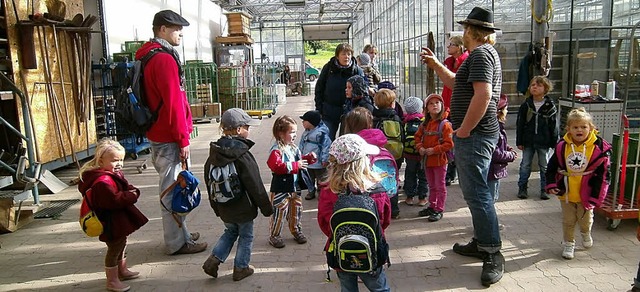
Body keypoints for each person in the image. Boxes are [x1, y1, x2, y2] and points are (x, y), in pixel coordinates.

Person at [420, 6, 505, 286]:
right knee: (475, 193)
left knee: (478, 194)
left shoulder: (480, 55)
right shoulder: (482, 55)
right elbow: (458, 84)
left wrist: (465, 130)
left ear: (471, 31)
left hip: (475, 135)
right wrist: (436, 65)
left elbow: (483, 94)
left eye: (465, 29)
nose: (462, 34)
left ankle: (492, 251)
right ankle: (482, 241)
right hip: (477, 134)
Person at [136, 10, 205, 255]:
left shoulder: (148, 55)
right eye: (176, 29)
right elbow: (174, 103)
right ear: (162, 30)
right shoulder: (163, 59)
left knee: (176, 188)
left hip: (160, 133)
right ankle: (176, 243)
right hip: (169, 136)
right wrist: (183, 138)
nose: (180, 33)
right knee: (173, 191)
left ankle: (181, 233)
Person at [202, 108, 274, 281]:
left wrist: (216, 208)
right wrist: (266, 208)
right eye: (247, 127)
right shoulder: (242, 155)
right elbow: (255, 184)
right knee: (246, 236)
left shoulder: (214, 153)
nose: (249, 130)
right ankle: (241, 267)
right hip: (244, 207)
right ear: (239, 129)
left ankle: (213, 260)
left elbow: (208, 182)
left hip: (224, 205)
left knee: (230, 232)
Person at [317, 134, 391, 292]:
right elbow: (384, 220)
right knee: (379, 288)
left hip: (341, 251)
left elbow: (324, 223)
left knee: (347, 288)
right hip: (373, 250)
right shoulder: (376, 190)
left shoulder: (328, 191)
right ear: (363, 161)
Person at [78, 138, 148, 292]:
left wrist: (131, 190)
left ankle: (122, 271)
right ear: (101, 161)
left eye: (121, 160)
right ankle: (112, 280)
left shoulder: (113, 174)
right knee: (114, 248)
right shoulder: (102, 182)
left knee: (121, 243)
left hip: (117, 221)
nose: (119, 164)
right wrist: (132, 195)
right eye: (115, 160)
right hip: (110, 222)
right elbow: (114, 201)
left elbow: (124, 186)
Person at [545, 108, 611, 260]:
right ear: (568, 129)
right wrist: (551, 184)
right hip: (567, 192)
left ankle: (585, 232)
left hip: (587, 193)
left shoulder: (599, 148)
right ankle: (569, 243)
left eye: (583, 127)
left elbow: (604, 175)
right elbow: (551, 167)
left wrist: (597, 196)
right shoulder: (562, 146)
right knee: (568, 220)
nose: (579, 130)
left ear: (591, 128)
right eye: (575, 127)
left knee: (585, 221)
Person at [266, 115, 309, 248]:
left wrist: (308, 159)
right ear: (280, 133)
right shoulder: (276, 150)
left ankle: (296, 230)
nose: (295, 135)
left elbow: (298, 161)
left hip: (294, 186)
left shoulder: (293, 148)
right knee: (279, 211)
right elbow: (276, 166)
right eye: (291, 132)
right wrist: (296, 165)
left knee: (296, 210)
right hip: (281, 187)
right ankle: (275, 235)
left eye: (295, 132)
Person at [516, 75, 558, 200]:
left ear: (545, 89)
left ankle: (544, 189)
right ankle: (522, 188)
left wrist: (554, 142)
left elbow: (553, 125)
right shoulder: (526, 105)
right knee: (525, 165)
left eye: (539, 85)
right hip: (528, 141)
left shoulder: (550, 106)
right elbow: (520, 124)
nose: (535, 87)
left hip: (544, 141)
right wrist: (519, 141)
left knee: (544, 166)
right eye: (533, 85)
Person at [414, 94, 453, 222]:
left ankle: (439, 208)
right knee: (431, 185)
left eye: (437, 102)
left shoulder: (445, 125)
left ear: (442, 106)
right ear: (426, 108)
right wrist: (420, 148)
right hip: (427, 161)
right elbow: (417, 138)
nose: (435, 105)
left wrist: (434, 150)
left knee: (440, 185)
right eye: (431, 103)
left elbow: (449, 144)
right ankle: (432, 206)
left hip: (440, 161)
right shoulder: (424, 124)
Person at [315, 43, 364, 140]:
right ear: (337, 56)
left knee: (345, 141)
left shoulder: (357, 70)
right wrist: (319, 108)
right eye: (343, 54)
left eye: (349, 54)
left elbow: (362, 91)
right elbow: (319, 88)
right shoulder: (328, 68)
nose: (347, 57)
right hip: (329, 111)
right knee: (327, 139)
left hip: (349, 112)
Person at [372, 89, 404, 219]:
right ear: (392, 103)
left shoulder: (375, 118)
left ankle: (380, 208)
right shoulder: (396, 118)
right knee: (393, 180)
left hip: (379, 155)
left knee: (378, 181)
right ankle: (394, 209)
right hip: (395, 155)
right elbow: (402, 136)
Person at [442, 35, 469, 186]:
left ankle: (455, 173)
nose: (448, 47)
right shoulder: (450, 63)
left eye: (451, 44)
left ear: (459, 46)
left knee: (457, 141)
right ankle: (450, 172)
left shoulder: (466, 62)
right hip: (448, 106)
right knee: (449, 139)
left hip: (459, 107)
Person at [488, 94, 518, 202]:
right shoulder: (495, 127)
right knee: (490, 200)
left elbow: (499, 144)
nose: (507, 111)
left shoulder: (497, 125)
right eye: (506, 109)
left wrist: (507, 147)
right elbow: (494, 152)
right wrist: (511, 155)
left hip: (493, 170)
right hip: (492, 170)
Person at [298, 110, 332, 200]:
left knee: (321, 179)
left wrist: (325, 159)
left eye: (304, 120)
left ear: (311, 122)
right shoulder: (306, 132)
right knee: (308, 178)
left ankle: (321, 192)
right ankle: (311, 191)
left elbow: (326, 147)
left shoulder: (321, 134)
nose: (302, 122)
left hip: (319, 162)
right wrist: (299, 154)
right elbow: (301, 144)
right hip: (307, 161)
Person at [402, 96, 429, 207]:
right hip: (422, 154)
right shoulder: (425, 122)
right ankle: (422, 198)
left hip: (409, 155)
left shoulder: (405, 122)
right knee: (423, 176)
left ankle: (409, 197)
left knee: (410, 174)